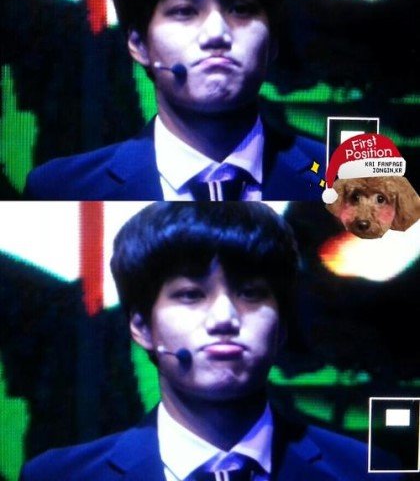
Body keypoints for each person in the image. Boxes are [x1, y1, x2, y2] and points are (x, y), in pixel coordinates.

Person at [20, 202, 402, 480]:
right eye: (190, 295)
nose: (224, 318)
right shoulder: (59, 476)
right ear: (141, 326)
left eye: (250, 293)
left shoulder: (366, 472)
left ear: (283, 323)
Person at [24, 0, 325, 201]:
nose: (216, 34)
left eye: (241, 9)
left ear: (272, 41)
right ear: (139, 45)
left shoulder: (339, 176)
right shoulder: (61, 188)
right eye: (184, 11)